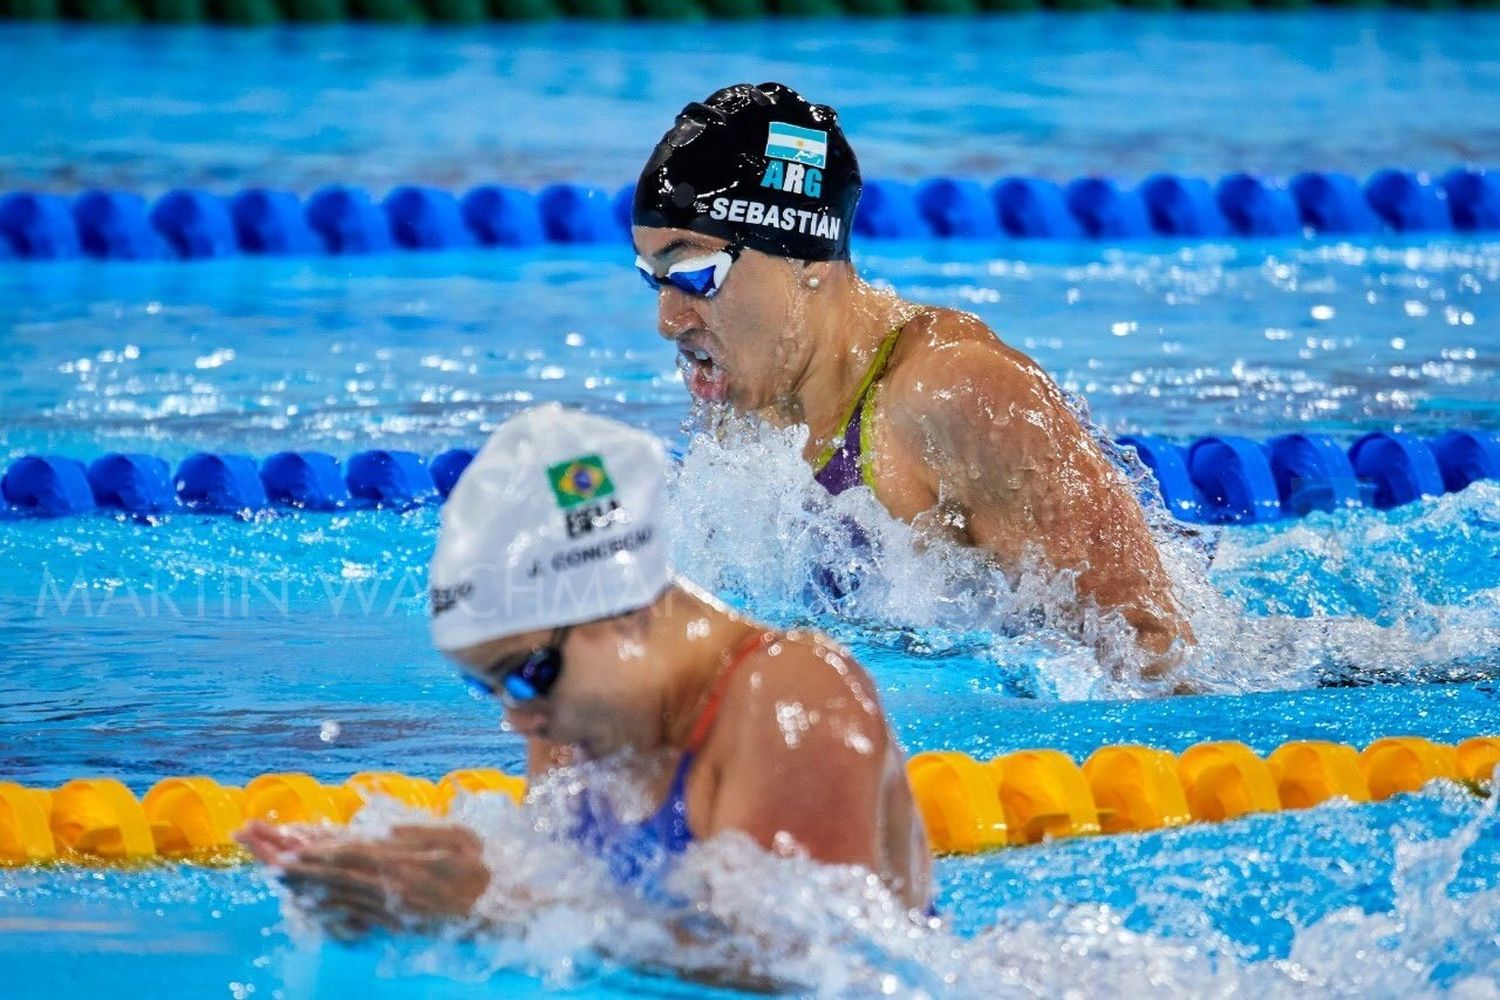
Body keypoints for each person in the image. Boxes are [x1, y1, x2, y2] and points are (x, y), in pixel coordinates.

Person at [237, 405, 932, 938]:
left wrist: (496, 908)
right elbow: (583, 930)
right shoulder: (572, 719)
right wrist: (393, 896)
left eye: (524, 675)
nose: (517, 717)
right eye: (486, 686)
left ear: (621, 611)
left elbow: (808, 971)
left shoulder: (794, 699)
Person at [631, 82, 1192, 668]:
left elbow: (1154, 650)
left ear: (803, 257)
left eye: (694, 272)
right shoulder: (745, 398)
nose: (668, 322)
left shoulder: (956, 393)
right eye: (653, 278)